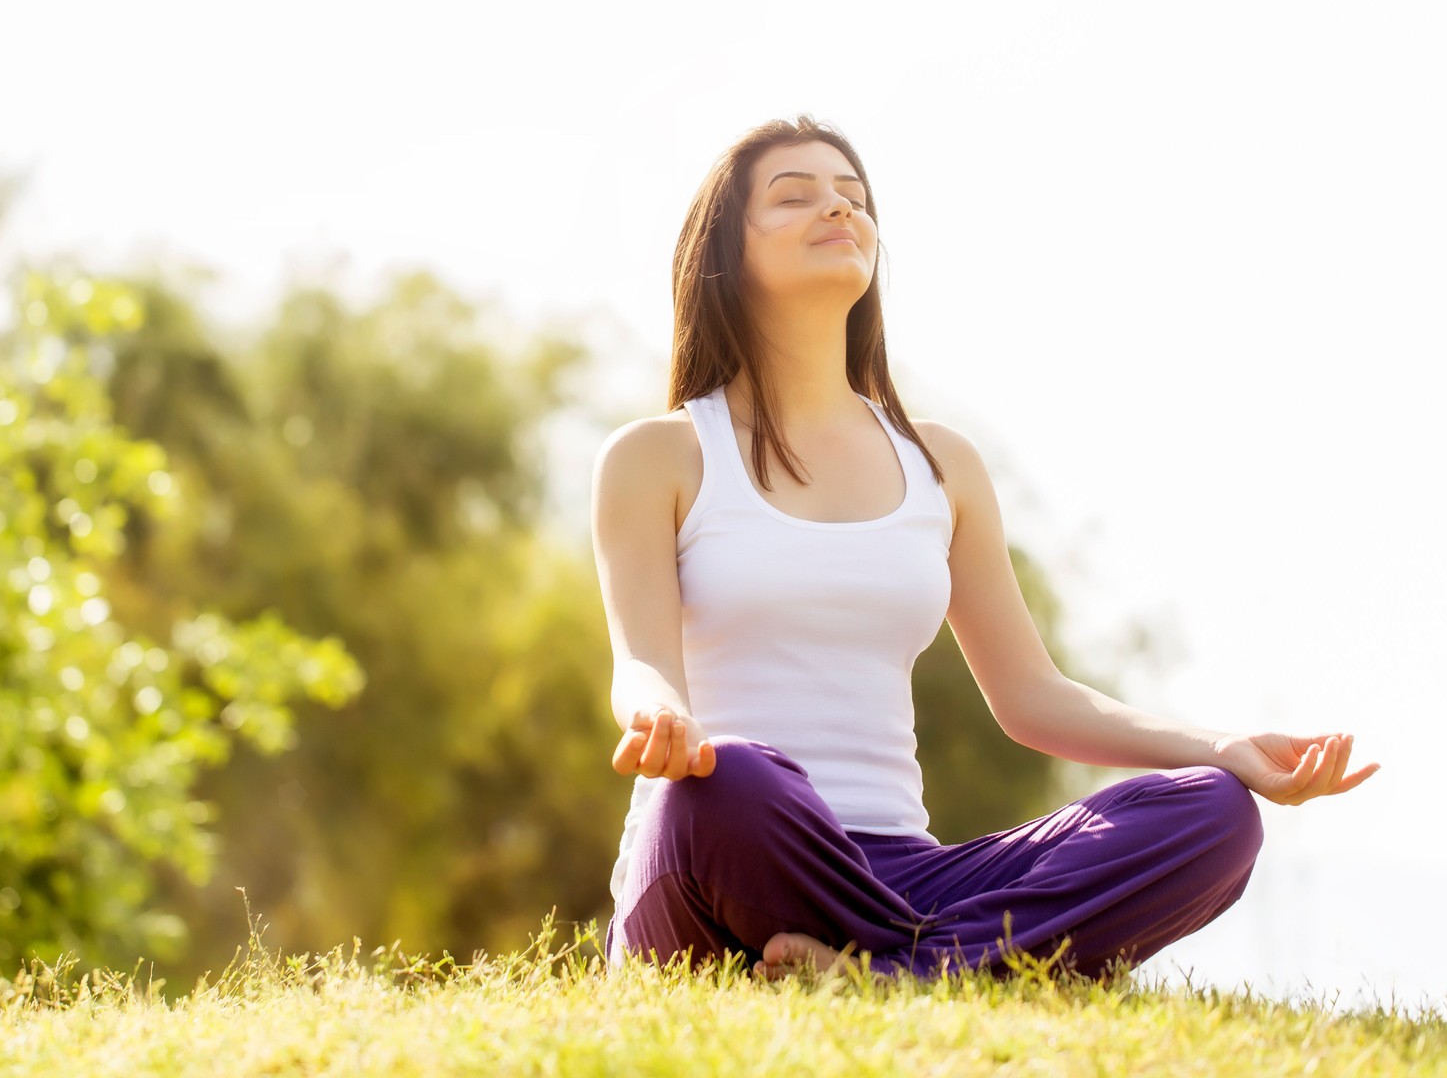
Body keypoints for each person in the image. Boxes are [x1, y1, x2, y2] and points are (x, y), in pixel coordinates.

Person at [589, 114, 1380, 984]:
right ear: (724, 249)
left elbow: (1032, 697)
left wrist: (1223, 748)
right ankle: (950, 968)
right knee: (727, 779)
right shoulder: (658, 456)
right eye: (795, 196)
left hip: (900, 880)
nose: (838, 211)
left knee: (1215, 815)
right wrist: (661, 718)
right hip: (728, 850)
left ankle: (898, 977)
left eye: (854, 199)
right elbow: (642, 662)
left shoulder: (940, 464)